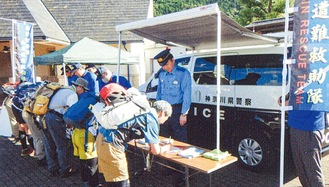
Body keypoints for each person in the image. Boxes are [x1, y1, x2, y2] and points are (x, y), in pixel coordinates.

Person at [94, 84, 173, 187]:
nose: (163, 122)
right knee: (121, 182)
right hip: (111, 145)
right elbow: (155, 151)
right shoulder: (152, 119)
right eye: (166, 119)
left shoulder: (142, 110)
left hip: (102, 139)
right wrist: (167, 147)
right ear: (162, 113)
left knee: (111, 180)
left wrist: (157, 142)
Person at [278, 94, 325, 187]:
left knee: (312, 170)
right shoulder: (297, 83)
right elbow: (283, 101)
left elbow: (287, 103)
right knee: (302, 169)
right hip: (296, 125)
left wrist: (285, 103)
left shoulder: (316, 82)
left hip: (308, 128)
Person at [153, 48, 192, 143]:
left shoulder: (183, 73)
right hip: (163, 111)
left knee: (180, 140)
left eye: (166, 64)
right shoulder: (162, 74)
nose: (165, 67)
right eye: (163, 66)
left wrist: (183, 114)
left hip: (177, 111)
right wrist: (157, 110)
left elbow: (187, 94)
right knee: (162, 138)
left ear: (173, 60)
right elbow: (159, 92)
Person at [42, 83, 79, 178]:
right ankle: (65, 169)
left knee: (49, 144)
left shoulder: (61, 90)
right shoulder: (72, 94)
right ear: (79, 87)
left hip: (46, 116)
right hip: (56, 119)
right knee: (62, 145)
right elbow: (73, 112)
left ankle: (52, 168)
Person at [70, 78, 99, 187]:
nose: (75, 88)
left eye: (76, 86)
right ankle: (93, 184)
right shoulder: (91, 99)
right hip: (87, 135)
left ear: (81, 87)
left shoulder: (76, 99)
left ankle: (86, 183)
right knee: (92, 163)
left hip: (76, 133)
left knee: (82, 162)